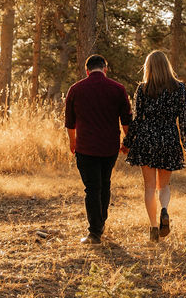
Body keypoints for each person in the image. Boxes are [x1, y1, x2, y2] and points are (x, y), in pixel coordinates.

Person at [122, 50, 186, 242]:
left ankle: (154, 228)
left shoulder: (143, 89)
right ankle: (164, 210)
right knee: (163, 185)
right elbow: (184, 120)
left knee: (148, 187)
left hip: (146, 139)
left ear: (149, 67)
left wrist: (127, 143)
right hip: (169, 139)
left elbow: (137, 120)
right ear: (167, 66)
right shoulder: (179, 88)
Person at [64, 54, 132, 244]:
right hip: (109, 147)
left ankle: (95, 232)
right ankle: (100, 222)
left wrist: (72, 142)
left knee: (92, 188)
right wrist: (127, 142)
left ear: (87, 70)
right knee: (105, 183)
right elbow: (126, 121)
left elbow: (70, 122)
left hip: (85, 147)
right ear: (105, 68)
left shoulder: (76, 89)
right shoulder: (118, 89)